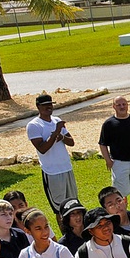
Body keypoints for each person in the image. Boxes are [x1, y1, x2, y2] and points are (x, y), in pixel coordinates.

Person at [27, 94, 79, 222]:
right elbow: (42, 149)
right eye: (45, 105)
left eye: (50, 104)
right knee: (59, 208)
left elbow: (71, 142)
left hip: (66, 168)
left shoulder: (57, 120)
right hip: (52, 172)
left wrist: (61, 137)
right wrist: (56, 132)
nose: (49, 107)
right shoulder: (34, 125)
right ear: (38, 107)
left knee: (73, 204)